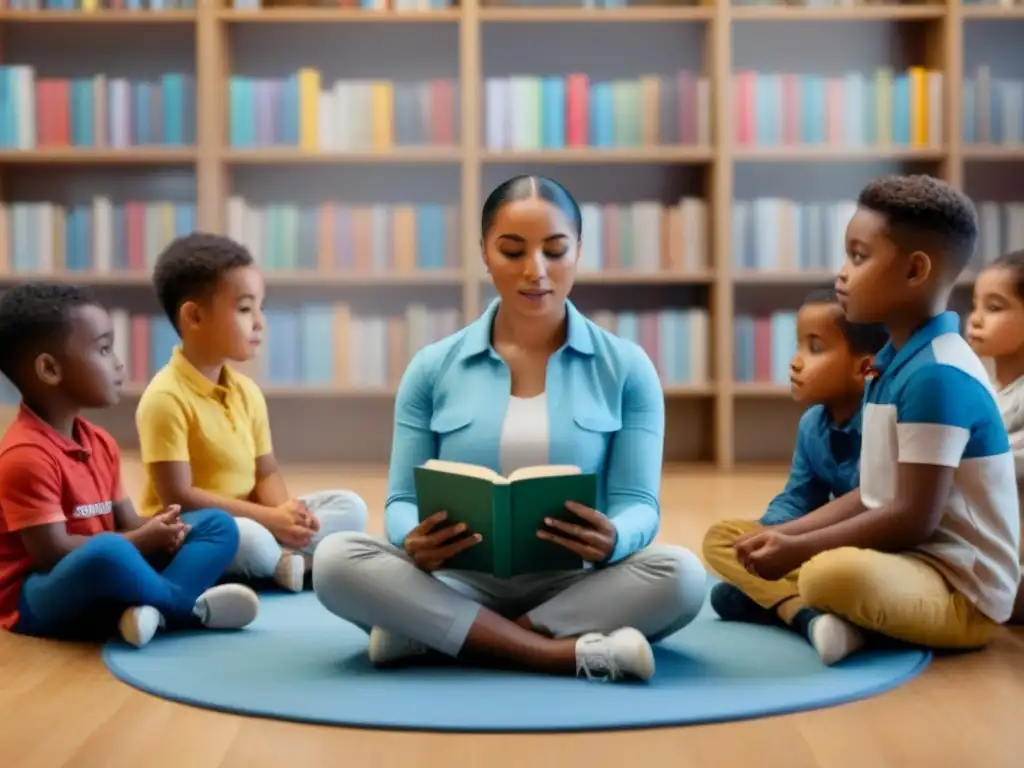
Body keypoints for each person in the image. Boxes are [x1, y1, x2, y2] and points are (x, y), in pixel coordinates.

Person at [311, 175, 707, 682]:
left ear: (579, 251)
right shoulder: (432, 367)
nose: (535, 271)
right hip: (455, 582)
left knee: (682, 576)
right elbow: (400, 500)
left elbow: (639, 503)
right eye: (513, 250)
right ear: (484, 253)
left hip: (578, 587)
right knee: (335, 559)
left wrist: (615, 538)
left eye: (556, 250)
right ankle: (551, 653)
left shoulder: (628, 367)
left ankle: (437, 639)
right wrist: (411, 539)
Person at [717, 175, 1021, 665]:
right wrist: (786, 536)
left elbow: (911, 519)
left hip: (961, 592)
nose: (842, 274)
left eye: (858, 257)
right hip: (905, 561)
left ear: (915, 271)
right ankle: (817, 618)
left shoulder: (938, 375)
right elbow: (873, 496)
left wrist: (797, 551)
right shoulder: (892, 362)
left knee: (825, 575)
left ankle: (803, 607)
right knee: (730, 541)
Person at [0, 283, 259, 647]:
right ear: (49, 369)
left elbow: (127, 522)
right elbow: (51, 553)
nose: (119, 363)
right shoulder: (24, 456)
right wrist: (138, 541)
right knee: (109, 552)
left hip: (114, 566)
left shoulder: (99, 442)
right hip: (38, 595)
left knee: (216, 525)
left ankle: (147, 610)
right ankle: (187, 609)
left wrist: (163, 528)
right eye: (104, 349)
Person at [136, 234, 368, 593]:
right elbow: (178, 498)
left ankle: (288, 562)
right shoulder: (164, 398)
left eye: (261, 307)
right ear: (194, 316)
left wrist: (287, 515)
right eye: (245, 309)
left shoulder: (247, 392)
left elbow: (267, 470)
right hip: (201, 531)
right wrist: (269, 520)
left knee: (350, 507)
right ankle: (290, 562)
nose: (260, 322)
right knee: (246, 539)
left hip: (256, 517)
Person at [703, 289, 888, 663]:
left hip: (869, 549)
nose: (795, 362)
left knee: (737, 597)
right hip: (816, 543)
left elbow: (876, 508)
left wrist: (788, 541)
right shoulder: (812, 426)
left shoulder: (882, 421)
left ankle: (792, 608)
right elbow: (799, 497)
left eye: (815, 349)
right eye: (798, 346)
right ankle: (808, 616)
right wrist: (768, 533)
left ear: (863, 368)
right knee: (720, 543)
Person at [966, 249, 1024, 622]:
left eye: (995, 307)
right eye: (976, 304)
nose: (976, 318)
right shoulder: (982, 386)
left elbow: (994, 460)